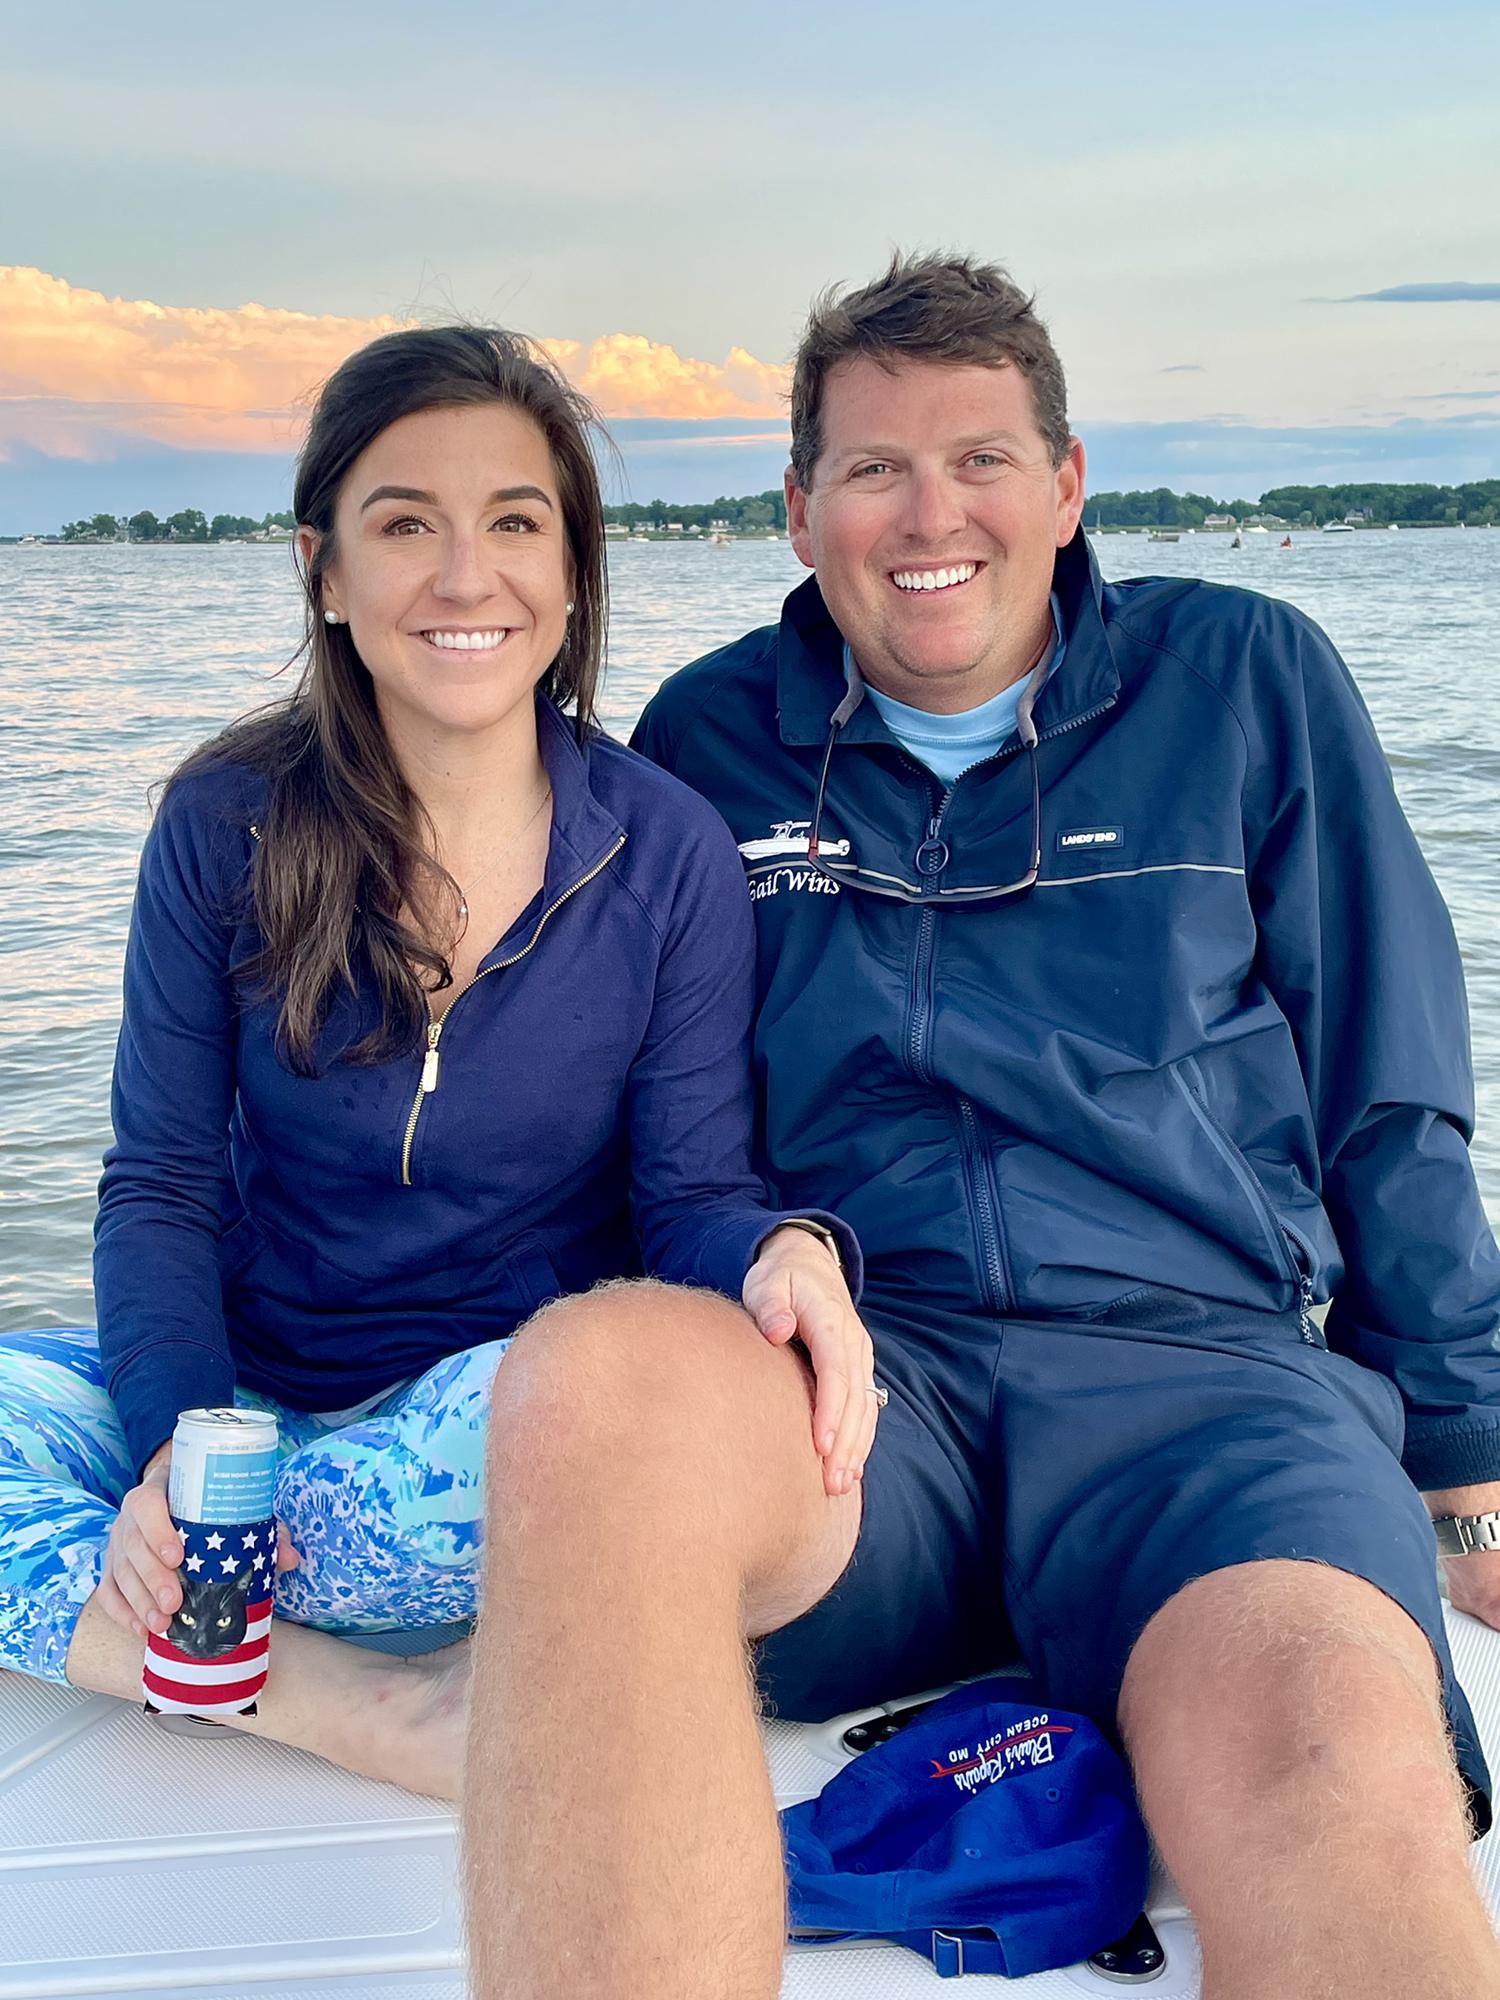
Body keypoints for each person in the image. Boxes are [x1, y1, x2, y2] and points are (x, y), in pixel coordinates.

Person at [464, 257, 1500, 1998]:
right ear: (798, 510)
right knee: (587, 1378)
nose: (929, 515)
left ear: (1068, 484)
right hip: (859, 1397)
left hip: (1204, 1394)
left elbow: (1386, 1084)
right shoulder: (705, 738)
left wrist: (1465, 1463)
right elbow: (626, 1117)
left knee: (1331, 1755)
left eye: (983, 460)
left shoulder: (1243, 677)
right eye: (874, 469)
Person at [0, 325, 874, 1801]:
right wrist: (178, 1461)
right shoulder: (223, 823)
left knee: (651, 1425)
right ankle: (336, 1698)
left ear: (573, 567)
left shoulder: (662, 851)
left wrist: (783, 1253)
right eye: (406, 525)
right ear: (326, 571)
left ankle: (191, 1628)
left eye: (516, 524)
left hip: (481, 1436)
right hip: (247, 1404)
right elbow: (160, 1187)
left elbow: (690, 1200)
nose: (468, 578)